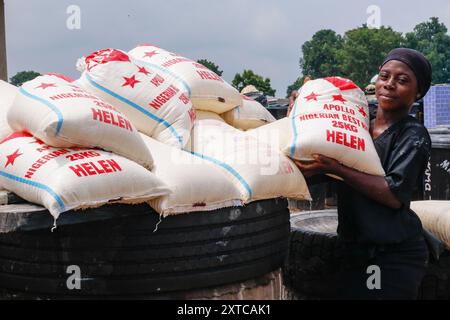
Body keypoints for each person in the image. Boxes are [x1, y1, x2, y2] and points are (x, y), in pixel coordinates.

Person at [292, 48, 433, 300]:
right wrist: (298, 118)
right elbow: (317, 170)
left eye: (402, 81)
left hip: (391, 254)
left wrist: (336, 168)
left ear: (418, 92)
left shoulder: (412, 135)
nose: (389, 85)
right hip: (352, 250)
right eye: (384, 76)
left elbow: (393, 194)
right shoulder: (356, 126)